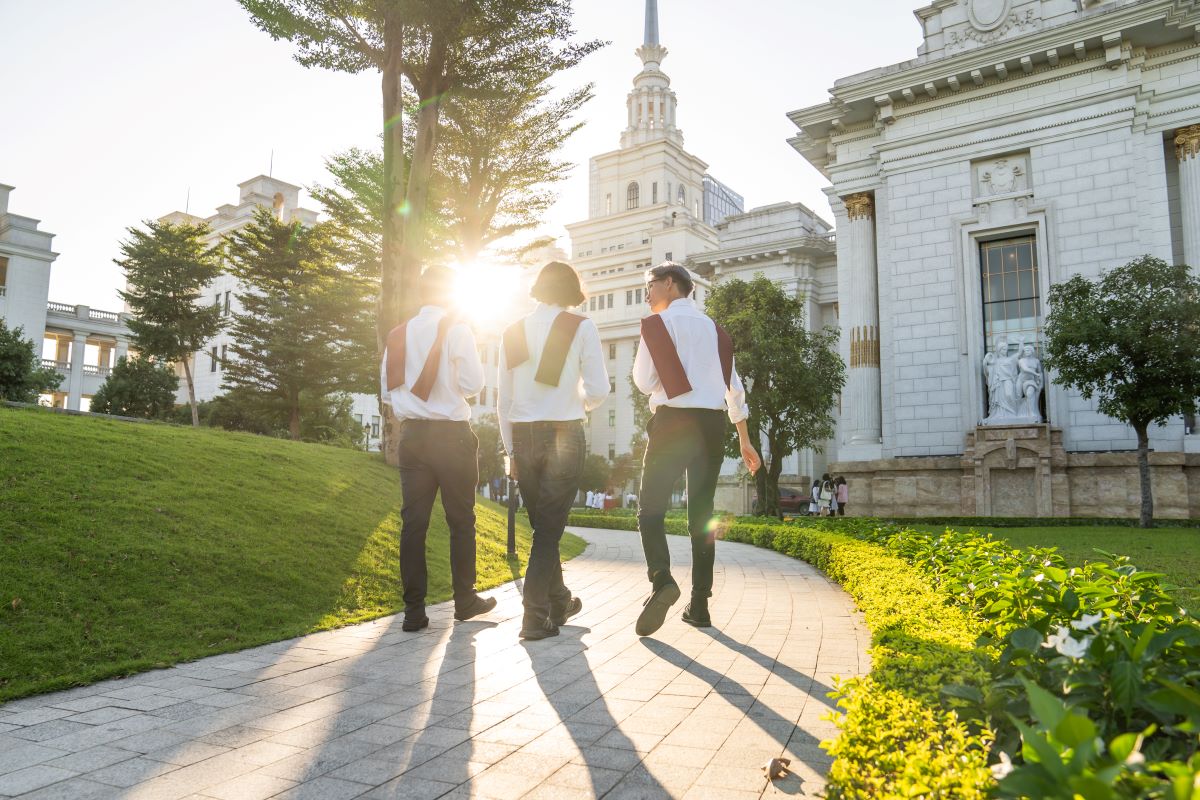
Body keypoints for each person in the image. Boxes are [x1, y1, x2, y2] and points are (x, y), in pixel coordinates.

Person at [632, 262, 761, 635]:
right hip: (712, 427)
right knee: (701, 518)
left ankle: (661, 580)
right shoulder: (717, 332)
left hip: (672, 424)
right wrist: (745, 439)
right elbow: (733, 390)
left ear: (670, 284)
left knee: (650, 509)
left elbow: (644, 382)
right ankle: (700, 605)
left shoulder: (657, 326)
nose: (647, 294)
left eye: (650, 285)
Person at [381, 266, 497, 632]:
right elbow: (473, 384)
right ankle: (464, 599)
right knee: (461, 520)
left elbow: (388, 392)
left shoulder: (398, 334)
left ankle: (413, 611)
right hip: (451, 436)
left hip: (412, 436)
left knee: (413, 525)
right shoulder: (457, 330)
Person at [498, 261, 609, 640]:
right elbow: (598, 390)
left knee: (544, 527)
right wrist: (575, 401)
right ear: (572, 290)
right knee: (548, 530)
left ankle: (559, 601)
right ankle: (534, 615)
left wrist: (510, 450)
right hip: (564, 433)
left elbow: (504, 400)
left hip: (523, 438)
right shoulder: (581, 326)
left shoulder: (512, 331)